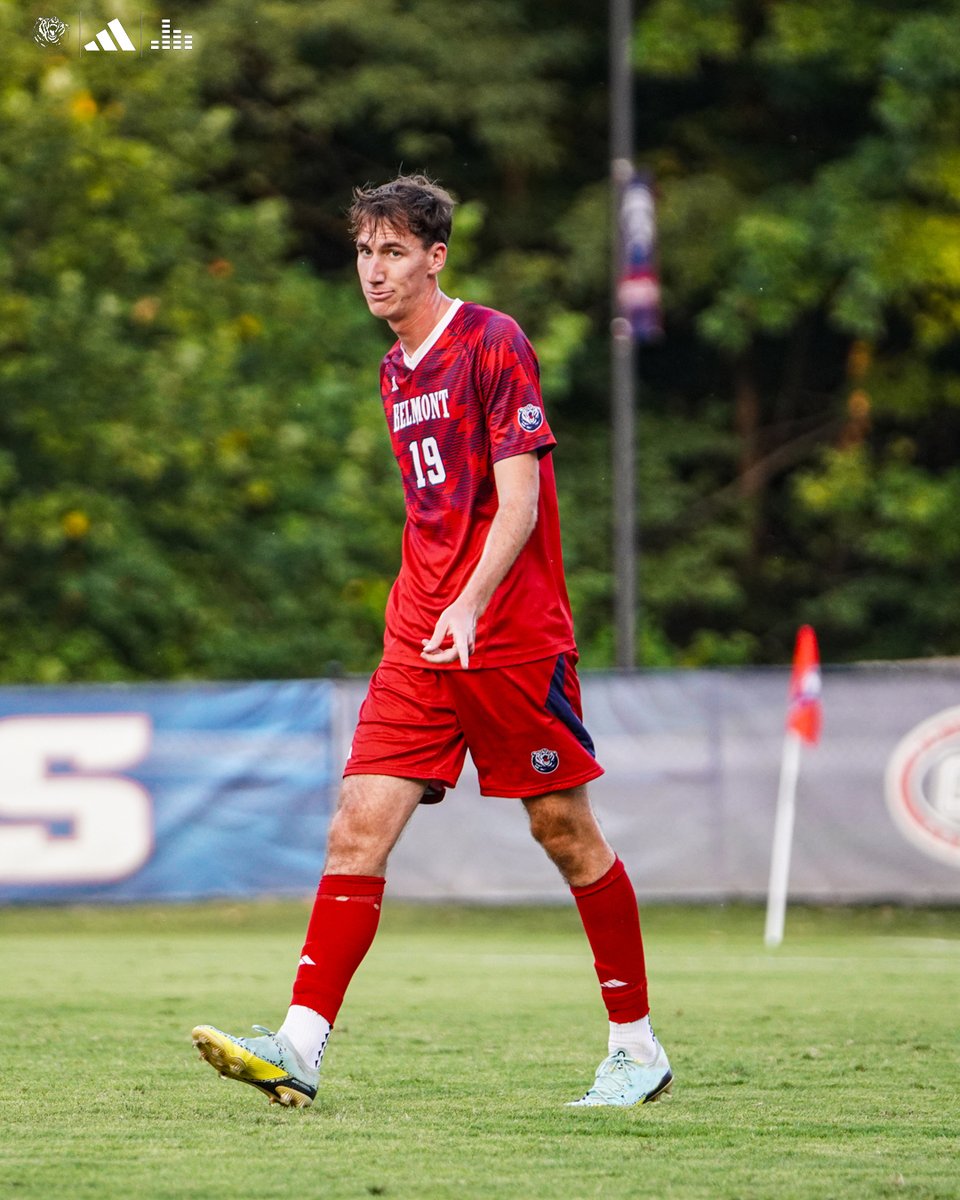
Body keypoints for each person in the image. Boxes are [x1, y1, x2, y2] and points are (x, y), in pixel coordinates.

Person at [192, 174, 672, 1110]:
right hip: (419, 632)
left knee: (563, 831)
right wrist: (430, 607)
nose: (375, 271)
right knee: (355, 829)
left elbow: (521, 501)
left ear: (435, 256)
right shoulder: (392, 369)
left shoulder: (492, 341)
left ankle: (636, 1047)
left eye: (395, 252)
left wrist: (472, 601)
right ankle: (299, 1044)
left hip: (508, 633)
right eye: (365, 252)